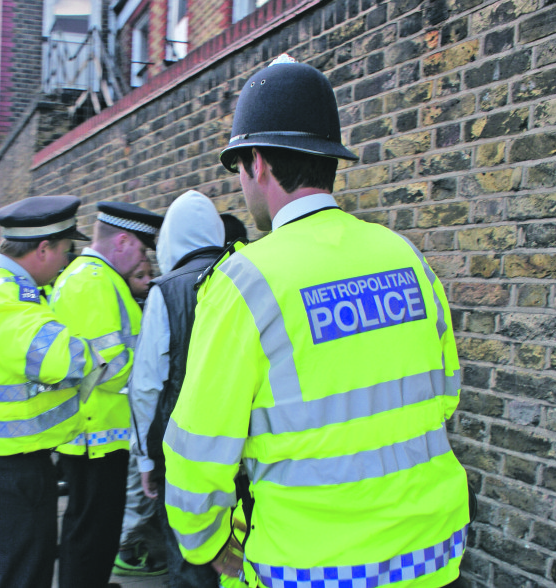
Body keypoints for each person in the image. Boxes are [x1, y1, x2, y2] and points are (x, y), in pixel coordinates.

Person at [163, 55, 471, 588]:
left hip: (312, 569)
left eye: (238, 168)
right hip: (430, 556)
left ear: (257, 163)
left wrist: (205, 544)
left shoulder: (245, 281)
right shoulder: (403, 256)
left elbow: (198, 448)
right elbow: (444, 394)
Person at [0, 195, 104, 588]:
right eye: (66, 250)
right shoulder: (9, 297)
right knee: (21, 575)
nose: (66, 261)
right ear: (43, 247)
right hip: (7, 466)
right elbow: (67, 360)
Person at [50, 201, 164, 588]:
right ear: (122, 240)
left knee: (89, 524)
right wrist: (154, 367)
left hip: (92, 429)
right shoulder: (95, 281)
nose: (143, 259)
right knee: (92, 528)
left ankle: (90, 580)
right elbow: (107, 366)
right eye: (142, 248)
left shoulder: (88, 275)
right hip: (96, 433)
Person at [129, 190, 225, 587]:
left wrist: (147, 461)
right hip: (243, 448)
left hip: (182, 452)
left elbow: (146, 386)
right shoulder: (248, 274)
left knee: (188, 556)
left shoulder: (165, 291)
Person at [114, 256, 167, 579]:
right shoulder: (137, 307)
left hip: (134, 415)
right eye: (139, 275)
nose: (146, 280)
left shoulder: (149, 302)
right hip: (129, 414)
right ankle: (127, 549)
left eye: (150, 274)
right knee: (136, 488)